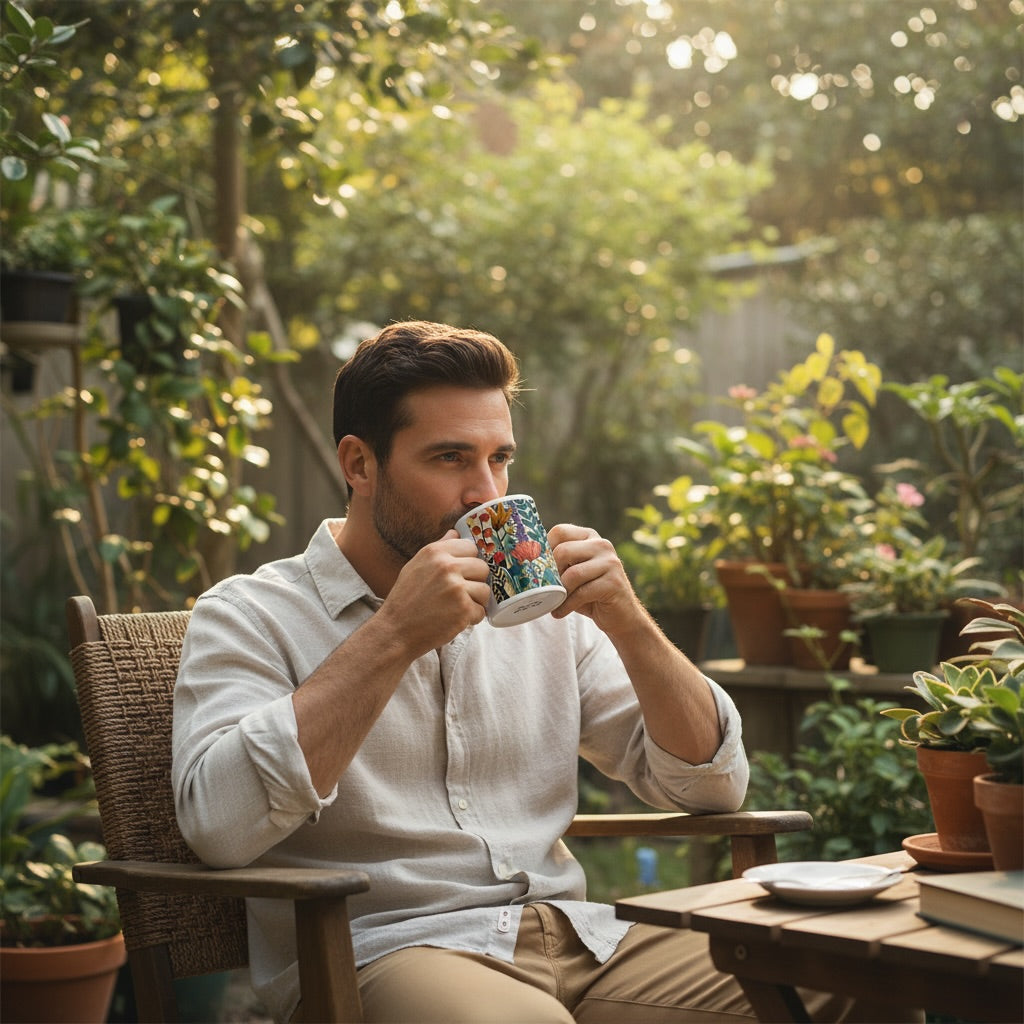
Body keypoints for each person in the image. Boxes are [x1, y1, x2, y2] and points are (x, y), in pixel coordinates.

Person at [171, 321, 913, 1024]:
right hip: (386, 954)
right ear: (359, 464)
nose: (485, 495)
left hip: (586, 941)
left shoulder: (538, 611)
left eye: (500, 459)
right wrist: (392, 635)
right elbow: (219, 826)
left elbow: (713, 785)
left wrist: (627, 620)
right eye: (450, 458)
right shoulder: (250, 614)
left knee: (861, 985)